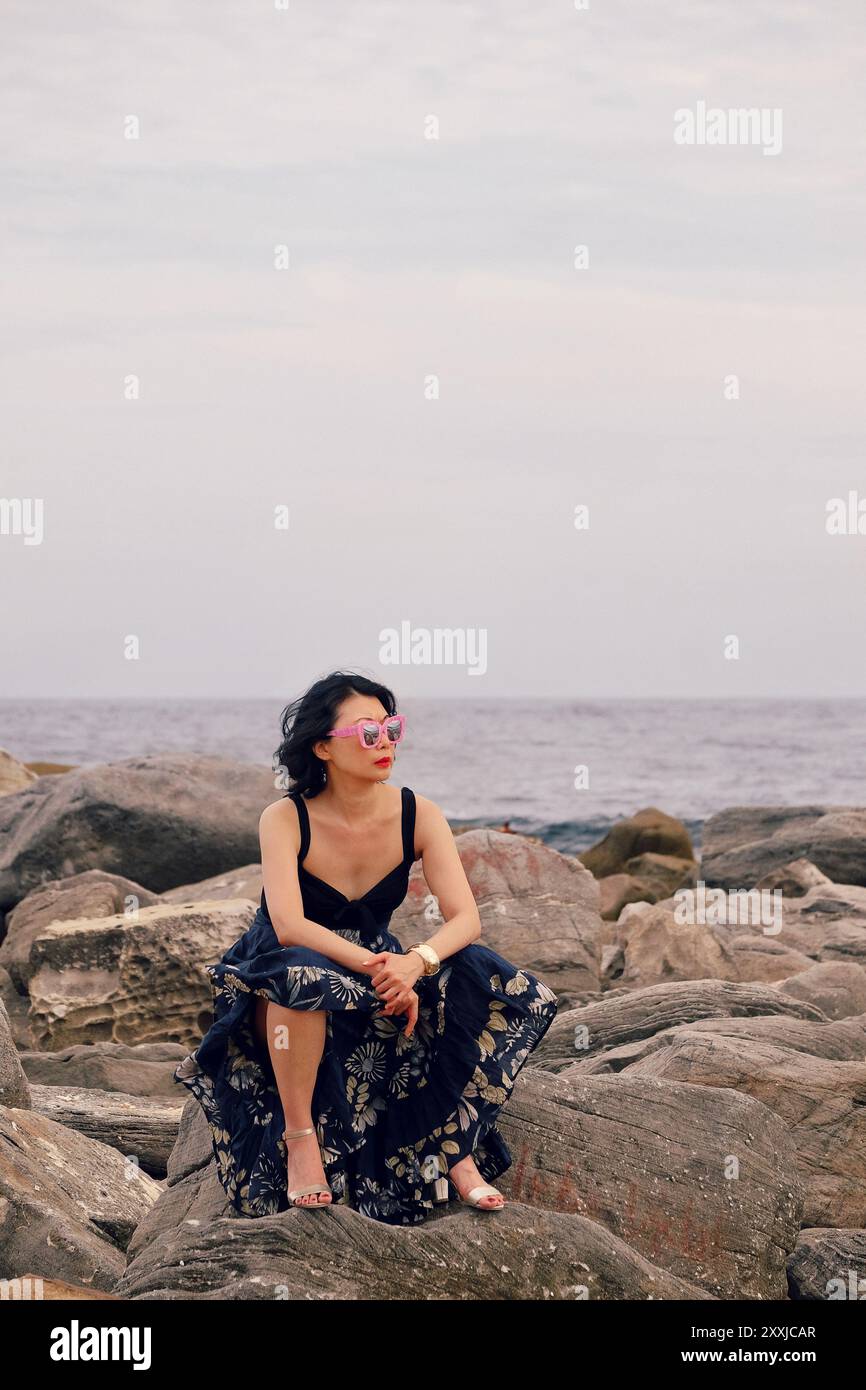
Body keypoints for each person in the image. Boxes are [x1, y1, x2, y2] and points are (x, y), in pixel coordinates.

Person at [174, 670, 558, 1225]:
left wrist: (415, 963)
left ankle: (450, 1142)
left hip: (380, 966)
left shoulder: (417, 813)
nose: (386, 744)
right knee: (303, 977)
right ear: (323, 746)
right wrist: (386, 973)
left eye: (391, 729)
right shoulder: (285, 818)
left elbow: (466, 918)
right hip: (280, 973)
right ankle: (301, 1140)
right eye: (367, 734)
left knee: (475, 970)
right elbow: (289, 926)